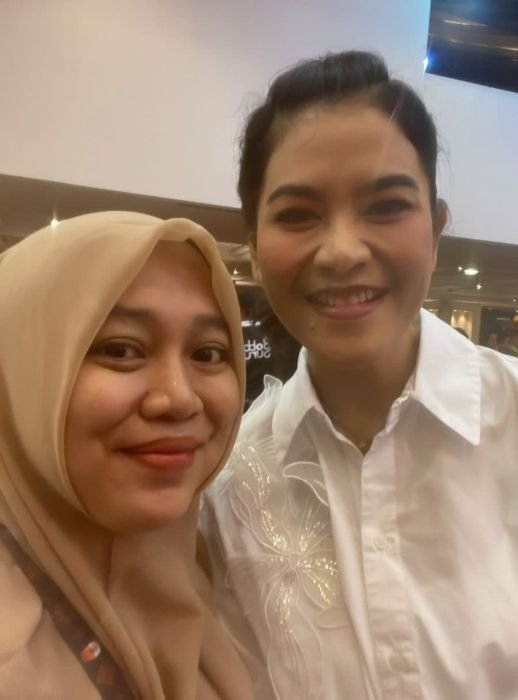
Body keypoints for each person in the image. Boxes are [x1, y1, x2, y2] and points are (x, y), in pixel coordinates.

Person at [202, 51, 518, 700]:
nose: (343, 251)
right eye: (298, 215)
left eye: (387, 206)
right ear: (254, 248)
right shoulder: (228, 491)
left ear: (436, 229)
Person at [0, 212, 254, 699]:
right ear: (20, 375)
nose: (179, 398)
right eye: (120, 350)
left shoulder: (210, 574)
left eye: (207, 353)